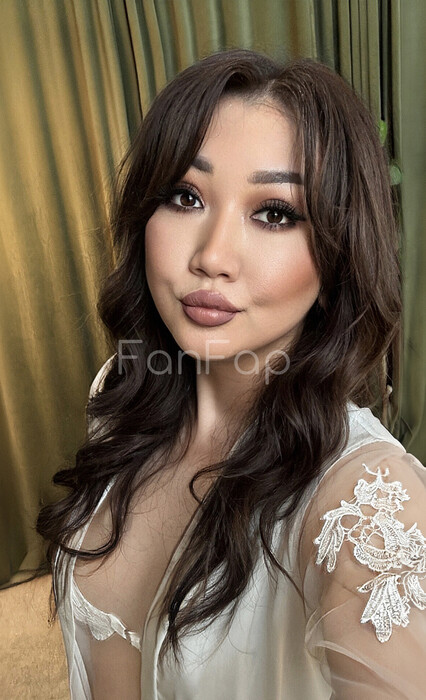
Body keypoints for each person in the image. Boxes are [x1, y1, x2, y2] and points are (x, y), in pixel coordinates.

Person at [37, 48, 426, 699]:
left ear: (339, 252)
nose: (213, 256)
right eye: (185, 196)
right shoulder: (119, 393)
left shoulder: (365, 507)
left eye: (274, 212)